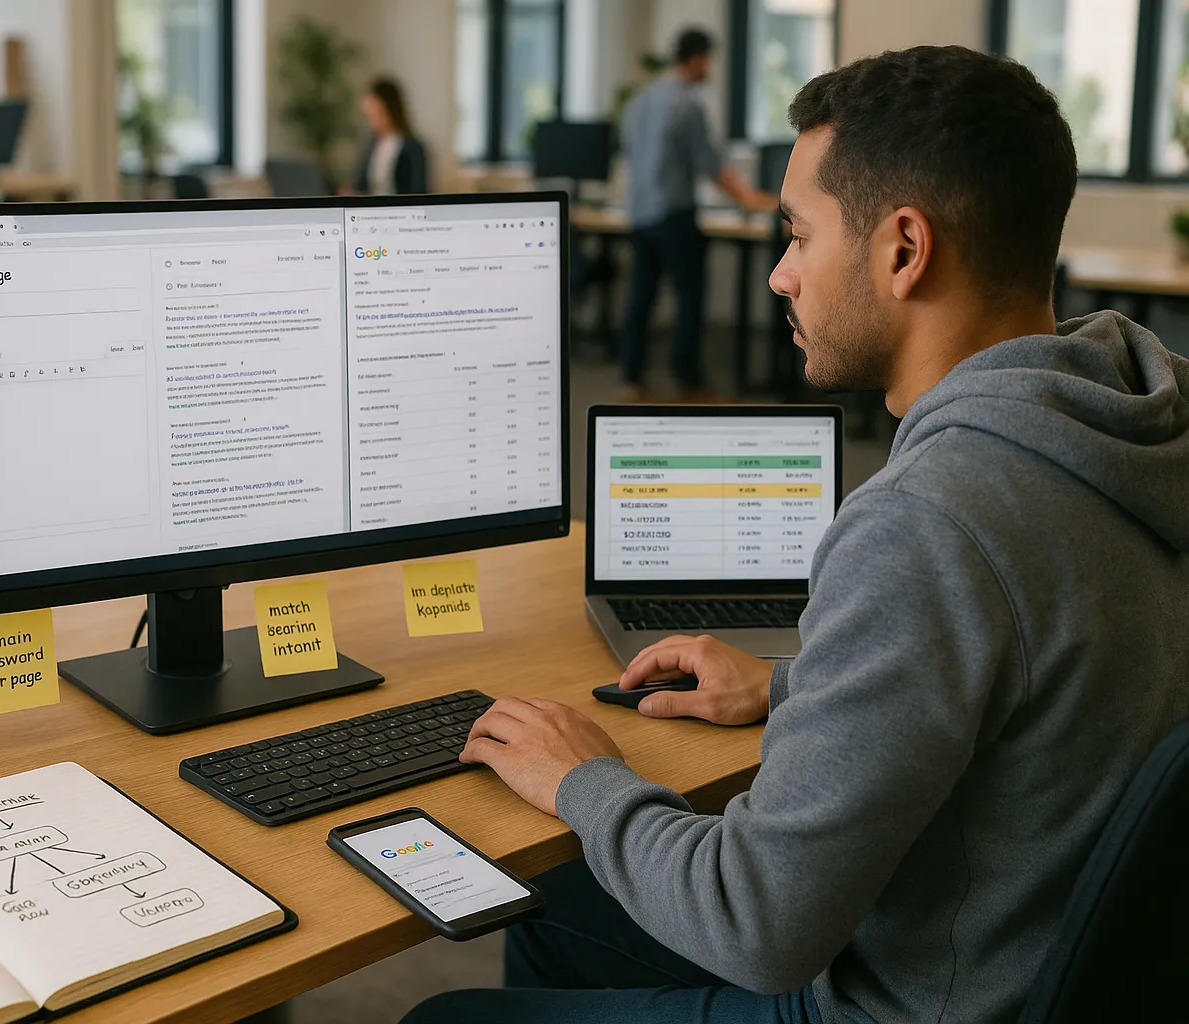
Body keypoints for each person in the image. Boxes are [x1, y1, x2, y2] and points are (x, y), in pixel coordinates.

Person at [403, 45, 1189, 1024]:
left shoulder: (929, 522)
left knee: (441, 1018)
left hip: (893, 1003)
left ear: (904, 249)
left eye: (797, 234)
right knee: (557, 907)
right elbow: (1040, 678)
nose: (778, 275)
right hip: (1043, 968)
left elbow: (759, 924)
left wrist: (583, 777)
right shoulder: (1134, 429)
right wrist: (786, 684)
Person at [618, 28, 776, 401]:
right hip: (673, 215)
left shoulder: (640, 101)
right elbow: (711, 164)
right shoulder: (686, 105)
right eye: (708, 60)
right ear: (697, 58)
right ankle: (687, 378)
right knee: (689, 298)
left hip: (639, 214)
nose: (709, 68)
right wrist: (749, 198)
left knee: (640, 297)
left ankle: (630, 376)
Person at [351, 77, 428, 195]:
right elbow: (362, 185)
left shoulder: (413, 148)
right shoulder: (371, 145)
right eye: (368, 116)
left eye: (375, 114)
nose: (371, 122)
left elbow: (418, 190)